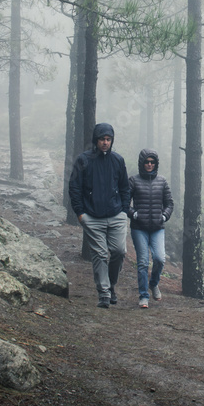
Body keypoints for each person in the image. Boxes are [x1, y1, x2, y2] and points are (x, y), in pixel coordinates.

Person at [68, 123, 131, 308]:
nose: (105, 142)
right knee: (100, 254)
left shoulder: (118, 161)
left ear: (112, 141)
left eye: (108, 139)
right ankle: (104, 293)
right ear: (96, 140)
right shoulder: (84, 160)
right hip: (92, 216)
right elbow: (74, 187)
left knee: (120, 252)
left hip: (116, 214)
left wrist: (124, 211)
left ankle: (111, 285)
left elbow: (125, 188)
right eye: (102, 139)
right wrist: (80, 214)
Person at [128, 148, 173, 309]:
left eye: (152, 162)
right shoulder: (133, 180)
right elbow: (124, 202)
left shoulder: (162, 181)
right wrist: (133, 214)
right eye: (146, 161)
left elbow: (169, 204)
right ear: (142, 163)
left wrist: (164, 216)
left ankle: (153, 284)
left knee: (160, 259)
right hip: (139, 228)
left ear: (156, 163)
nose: (149, 164)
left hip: (157, 227)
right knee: (142, 262)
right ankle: (143, 296)